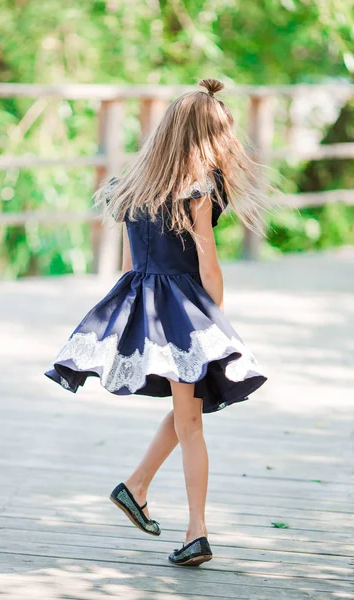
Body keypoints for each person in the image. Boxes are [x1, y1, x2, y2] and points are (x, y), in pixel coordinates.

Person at [45, 78, 267, 567]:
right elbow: (207, 263)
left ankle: (136, 486)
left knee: (191, 410)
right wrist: (217, 324)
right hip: (185, 312)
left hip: (147, 308)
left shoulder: (132, 186)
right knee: (192, 421)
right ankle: (196, 532)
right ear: (205, 139)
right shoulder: (198, 189)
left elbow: (131, 266)